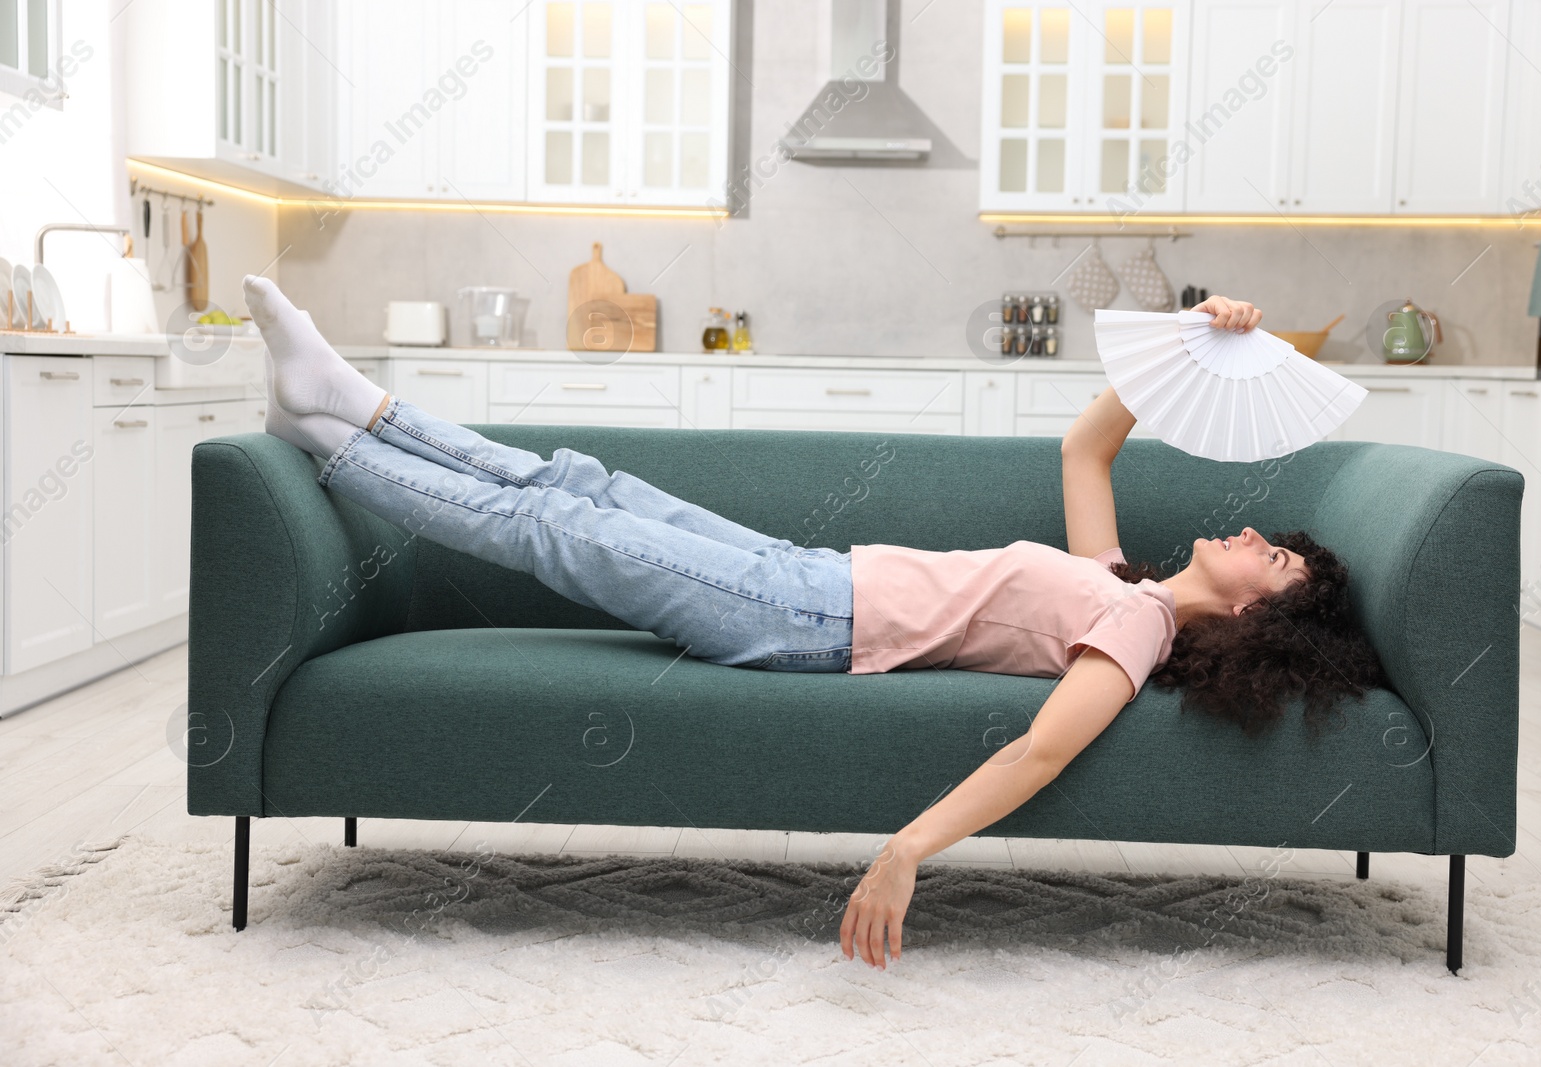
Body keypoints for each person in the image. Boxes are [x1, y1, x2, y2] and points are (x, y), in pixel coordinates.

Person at [240, 277, 1385, 972]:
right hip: (800, 571)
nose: (1252, 536)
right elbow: (1086, 446)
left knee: (558, 532)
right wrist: (1196, 332)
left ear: (1256, 613)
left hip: (791, 620)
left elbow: (1042, 747)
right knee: (576, 482)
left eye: (1273, 559)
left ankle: (327, 447)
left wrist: (904, 850)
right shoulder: (1118, 576)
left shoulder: (1137, 636)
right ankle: (351, 398)